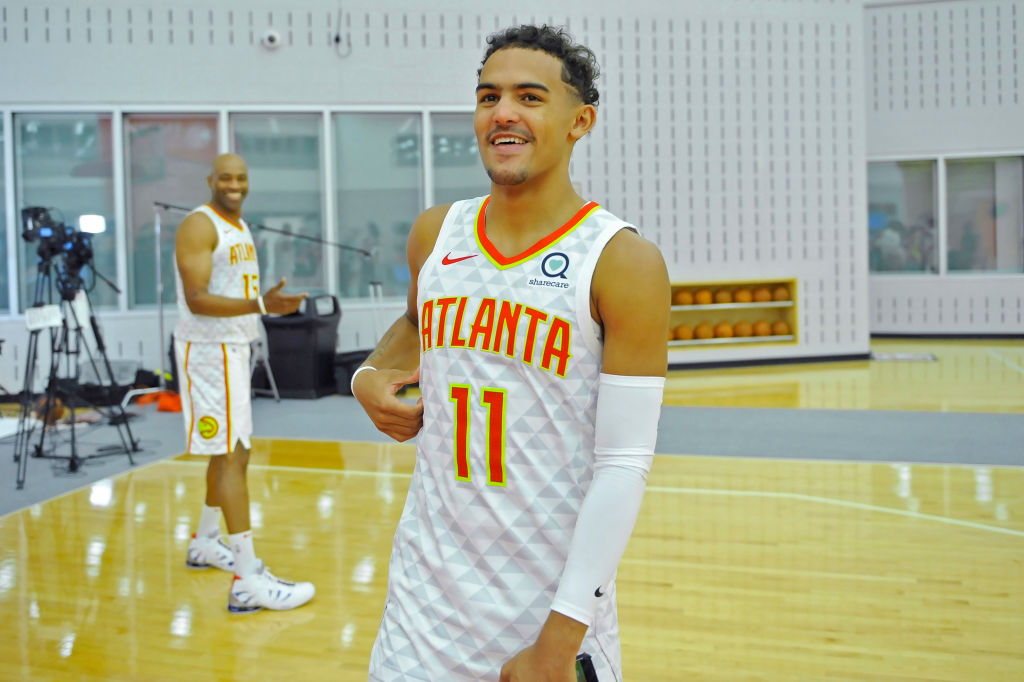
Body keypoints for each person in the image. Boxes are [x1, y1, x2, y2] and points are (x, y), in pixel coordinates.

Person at [351, 25, 669, 682]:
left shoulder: (621, 261)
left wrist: (562, 635)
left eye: (529, 96)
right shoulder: (437, 233)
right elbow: (414, 322)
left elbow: (623, 465)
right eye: (488, 96)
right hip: (424, 603)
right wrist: (367, 375)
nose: (503, 112)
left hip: (547, 607)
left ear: (580, 121)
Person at [173, 153, 315, 613]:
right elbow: (196, 299)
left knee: (235, 451)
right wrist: (261, 305)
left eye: (242, 178)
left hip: (232, 349)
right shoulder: (199, 225)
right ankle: (247, 578)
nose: (235, 184)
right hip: (210, 353)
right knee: (232, 455)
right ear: (211, 179)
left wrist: (259, 307)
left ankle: (205, 541)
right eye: (226, 177)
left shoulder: (237, 224)